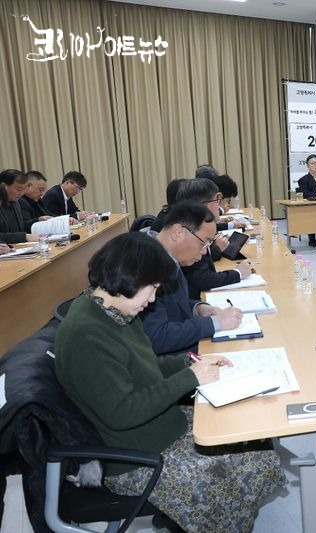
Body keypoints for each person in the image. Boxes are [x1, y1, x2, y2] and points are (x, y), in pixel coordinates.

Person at [54, 231, 284, 532]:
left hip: (159, 427)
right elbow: (122, 412)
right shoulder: (87, 335)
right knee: (245, 464)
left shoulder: (115, 310)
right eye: (151, 288)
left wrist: (192, 362)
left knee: (249, 435)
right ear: (127, 279)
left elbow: (147, 365)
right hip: (135, 458)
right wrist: (190, 377)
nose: (152, 299)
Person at [141, 201, 243, 355]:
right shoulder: (144, 265)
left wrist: (199, 309)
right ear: (178, 232)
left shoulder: (168, 256)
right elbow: (157, 337)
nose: (204, 252)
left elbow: (172, 305)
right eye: (204, 243)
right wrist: (215, 323)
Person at [175, 179, 253, 299]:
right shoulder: (190, 234)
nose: (219, 206)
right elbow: (202, 279)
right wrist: (238, 273)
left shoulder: (194, 227)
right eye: (217, 200)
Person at [0, 169, 36, 244]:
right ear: (4, 186)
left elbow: (19, 228)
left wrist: (38, 221)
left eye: (24, 189)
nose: (21, 193)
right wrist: (24, 237)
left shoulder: (16, 203)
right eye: (19, 190)